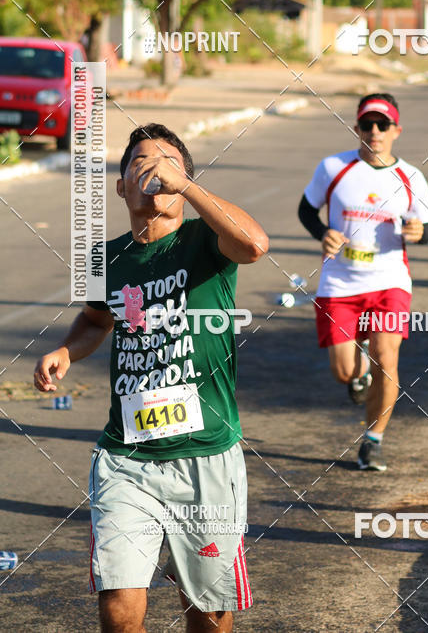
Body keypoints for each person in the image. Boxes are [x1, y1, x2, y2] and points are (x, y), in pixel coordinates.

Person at [34, 123, 269, 633]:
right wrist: (68, 350)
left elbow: (253, 244)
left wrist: (187, 188)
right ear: (122, 186)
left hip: (206, 456)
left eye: (168, 162)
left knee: (207, 612)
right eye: (141, 162)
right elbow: (95, 320)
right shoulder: (105, 258)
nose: (155, 171)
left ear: (185, 179)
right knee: (118, 604)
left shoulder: (206, 239)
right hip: (126, 456)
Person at [297, 94, 428, 472]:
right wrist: (323, 233)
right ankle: (358, 372)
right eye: (367, 124)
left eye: (382, 125)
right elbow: (306, 210)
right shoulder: (333, 168)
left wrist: (419, 232)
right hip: (340, 283)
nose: (375, 131)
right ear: (357, 128)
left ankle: (373, 441)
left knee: (385, 358)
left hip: (389, 281)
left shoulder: (411, 177)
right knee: (344, 371)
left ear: (396, 131)